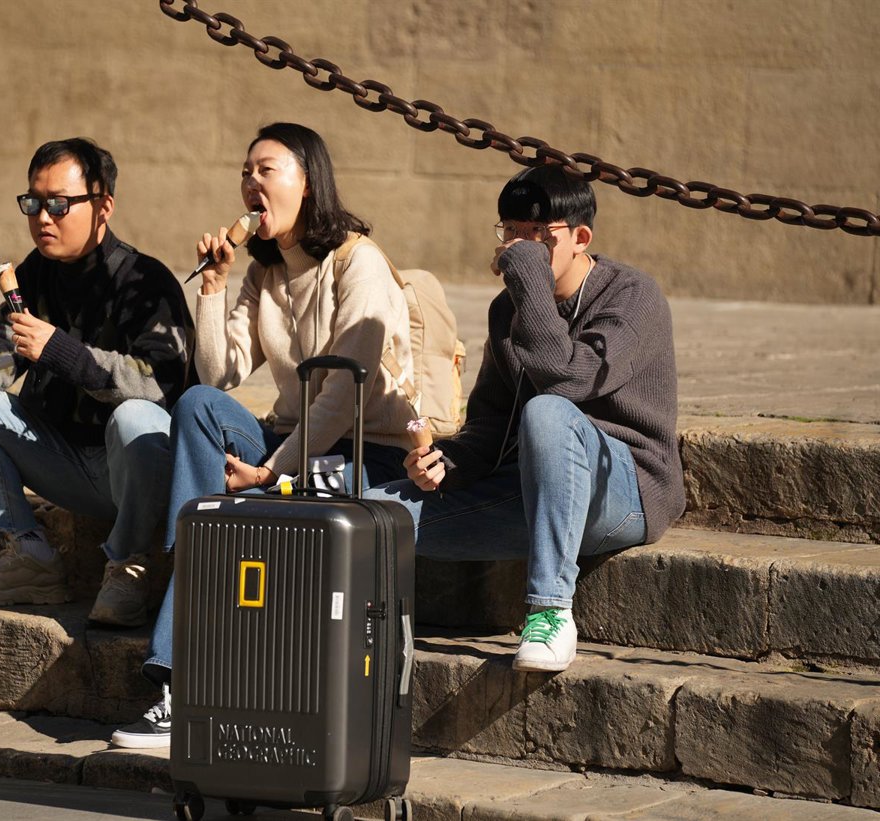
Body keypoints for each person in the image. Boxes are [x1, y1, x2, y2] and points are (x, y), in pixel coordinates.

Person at [111, 122, 417, 748]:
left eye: (267, 170)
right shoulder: (266, 272)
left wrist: (272, 474)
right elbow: (217, 374)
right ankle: (193, 549)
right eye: (246, 172)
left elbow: (343, 398)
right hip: (291, 441)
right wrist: (213, 286)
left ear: (308, 184)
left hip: (366, 451)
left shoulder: (359, 264)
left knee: (242, 510)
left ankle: (179, 686)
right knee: (197, 406)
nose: (251, 182)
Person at [366, 163, 685, 673]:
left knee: (548, 411)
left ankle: (550, 612)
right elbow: (492, 421)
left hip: (625, 491)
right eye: (511, 231)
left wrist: (528, 282)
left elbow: (569, 380)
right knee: (370, 515)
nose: (520, 247)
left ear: (580, 238)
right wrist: (448, 461)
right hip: (535, 494)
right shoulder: (507, 309)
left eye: (538, 234)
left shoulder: (632, 296)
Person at [0, 137, 194, 627]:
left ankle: (129, 566)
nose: (43, 217)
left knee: (137, 417)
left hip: (135, 472)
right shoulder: (36, 272)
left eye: (59, 204)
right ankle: (29, 554)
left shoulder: (146, 283)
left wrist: (60, 350)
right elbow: (2, 346)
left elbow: (161, 384)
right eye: (33, 203)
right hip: (61, 459)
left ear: (103, 206)